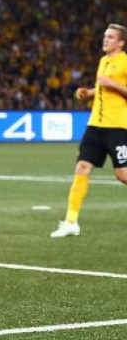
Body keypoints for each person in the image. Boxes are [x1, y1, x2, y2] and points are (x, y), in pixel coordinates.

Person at [51, 24, 127, 238]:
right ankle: (71, 222)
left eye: (110, 37)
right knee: (82, 167)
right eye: (105, 36)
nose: (105, 39)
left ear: (121, 42)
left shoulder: (125, 62)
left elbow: (113, 87)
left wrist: (112, 84)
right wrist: (89, 92)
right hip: (95, 125)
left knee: (123, 175)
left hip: (117, 127)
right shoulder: (103, 61)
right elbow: (104, 87)